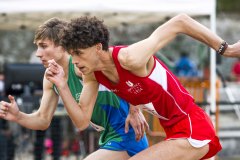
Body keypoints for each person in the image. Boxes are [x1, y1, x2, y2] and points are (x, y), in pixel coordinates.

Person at [46, 14, 240, 160]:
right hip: (172, 131)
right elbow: (81, 122)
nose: (75, 61)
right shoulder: (92, 74)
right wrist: (62, 86)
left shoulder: (131, 57)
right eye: (72, 54)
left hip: (193, 127)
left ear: (98, 47)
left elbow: (179, 22)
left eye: (79, 53)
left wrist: (227, 49)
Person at [0, 18, 149, 160]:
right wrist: (18, 116)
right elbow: (43, 119)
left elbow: (131, 68)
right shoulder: (50, 77)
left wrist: (134, 108)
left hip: (128, 135)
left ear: (62, 45)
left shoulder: (82, 67)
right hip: (108, 138)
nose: (38, 53)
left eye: (44, 46)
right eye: (37, 47)